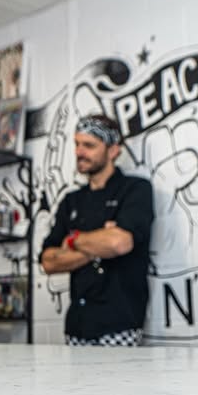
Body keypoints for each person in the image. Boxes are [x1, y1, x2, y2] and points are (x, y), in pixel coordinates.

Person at [40, 114, 154, 346]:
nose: (80, 152)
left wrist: (71, 241)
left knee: (116, 383)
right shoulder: (70, 201)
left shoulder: (136, 189)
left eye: (89, 145)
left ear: (113, 150)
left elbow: (118, 243)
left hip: (120, 324)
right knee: (76, 385)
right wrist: (97, 243)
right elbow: (48, 261)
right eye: (77, 144)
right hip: (76, 325)